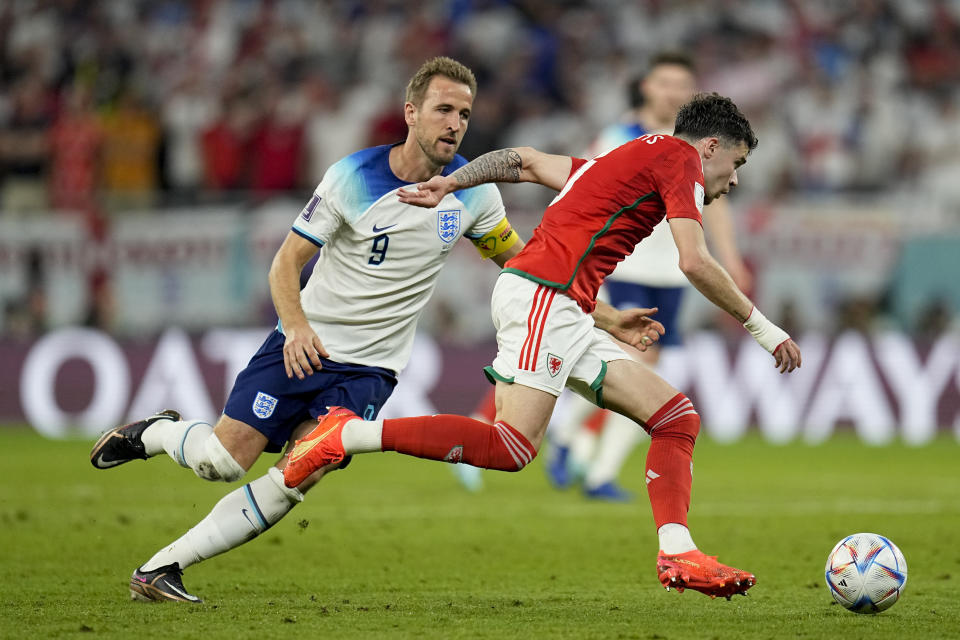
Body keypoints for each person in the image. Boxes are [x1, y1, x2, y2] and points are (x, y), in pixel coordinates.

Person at [284, 93, 802, 599]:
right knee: (512, 447)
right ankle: (345, 435)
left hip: (564, 307)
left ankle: (678, 551)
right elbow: (694, 261)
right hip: (543, 300)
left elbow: (524, 161)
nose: (733, 180)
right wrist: (765, 329)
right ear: (710, 147)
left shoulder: (630, 155)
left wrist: (451, 181)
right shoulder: (680, 159)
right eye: (736, 164)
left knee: (676, 418)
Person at [89, 57, 529, 603]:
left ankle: (161, 568)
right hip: (304, 346)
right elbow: (284, 262)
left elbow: (523, 263)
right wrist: (294, 327)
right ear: (411, 113)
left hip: (371, 370)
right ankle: (155, 433)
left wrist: (602, 314)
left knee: (300, 473)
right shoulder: (353, 176)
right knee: (221, 463)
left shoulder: (476, 195)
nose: (455, 123)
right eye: (444, 109)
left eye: (464, 113)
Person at [547, 51, 754, 502]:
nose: (674, 92)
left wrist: (731, 258)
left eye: (683, 84)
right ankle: (569, 439)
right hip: (625, 265)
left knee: (649, 375)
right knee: (630, 369)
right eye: (665, 83)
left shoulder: (702, 146)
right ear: (647, 88)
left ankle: (592, 463)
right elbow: (581, 192)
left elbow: (712, 203)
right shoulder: (618, 137)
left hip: (675, 273)